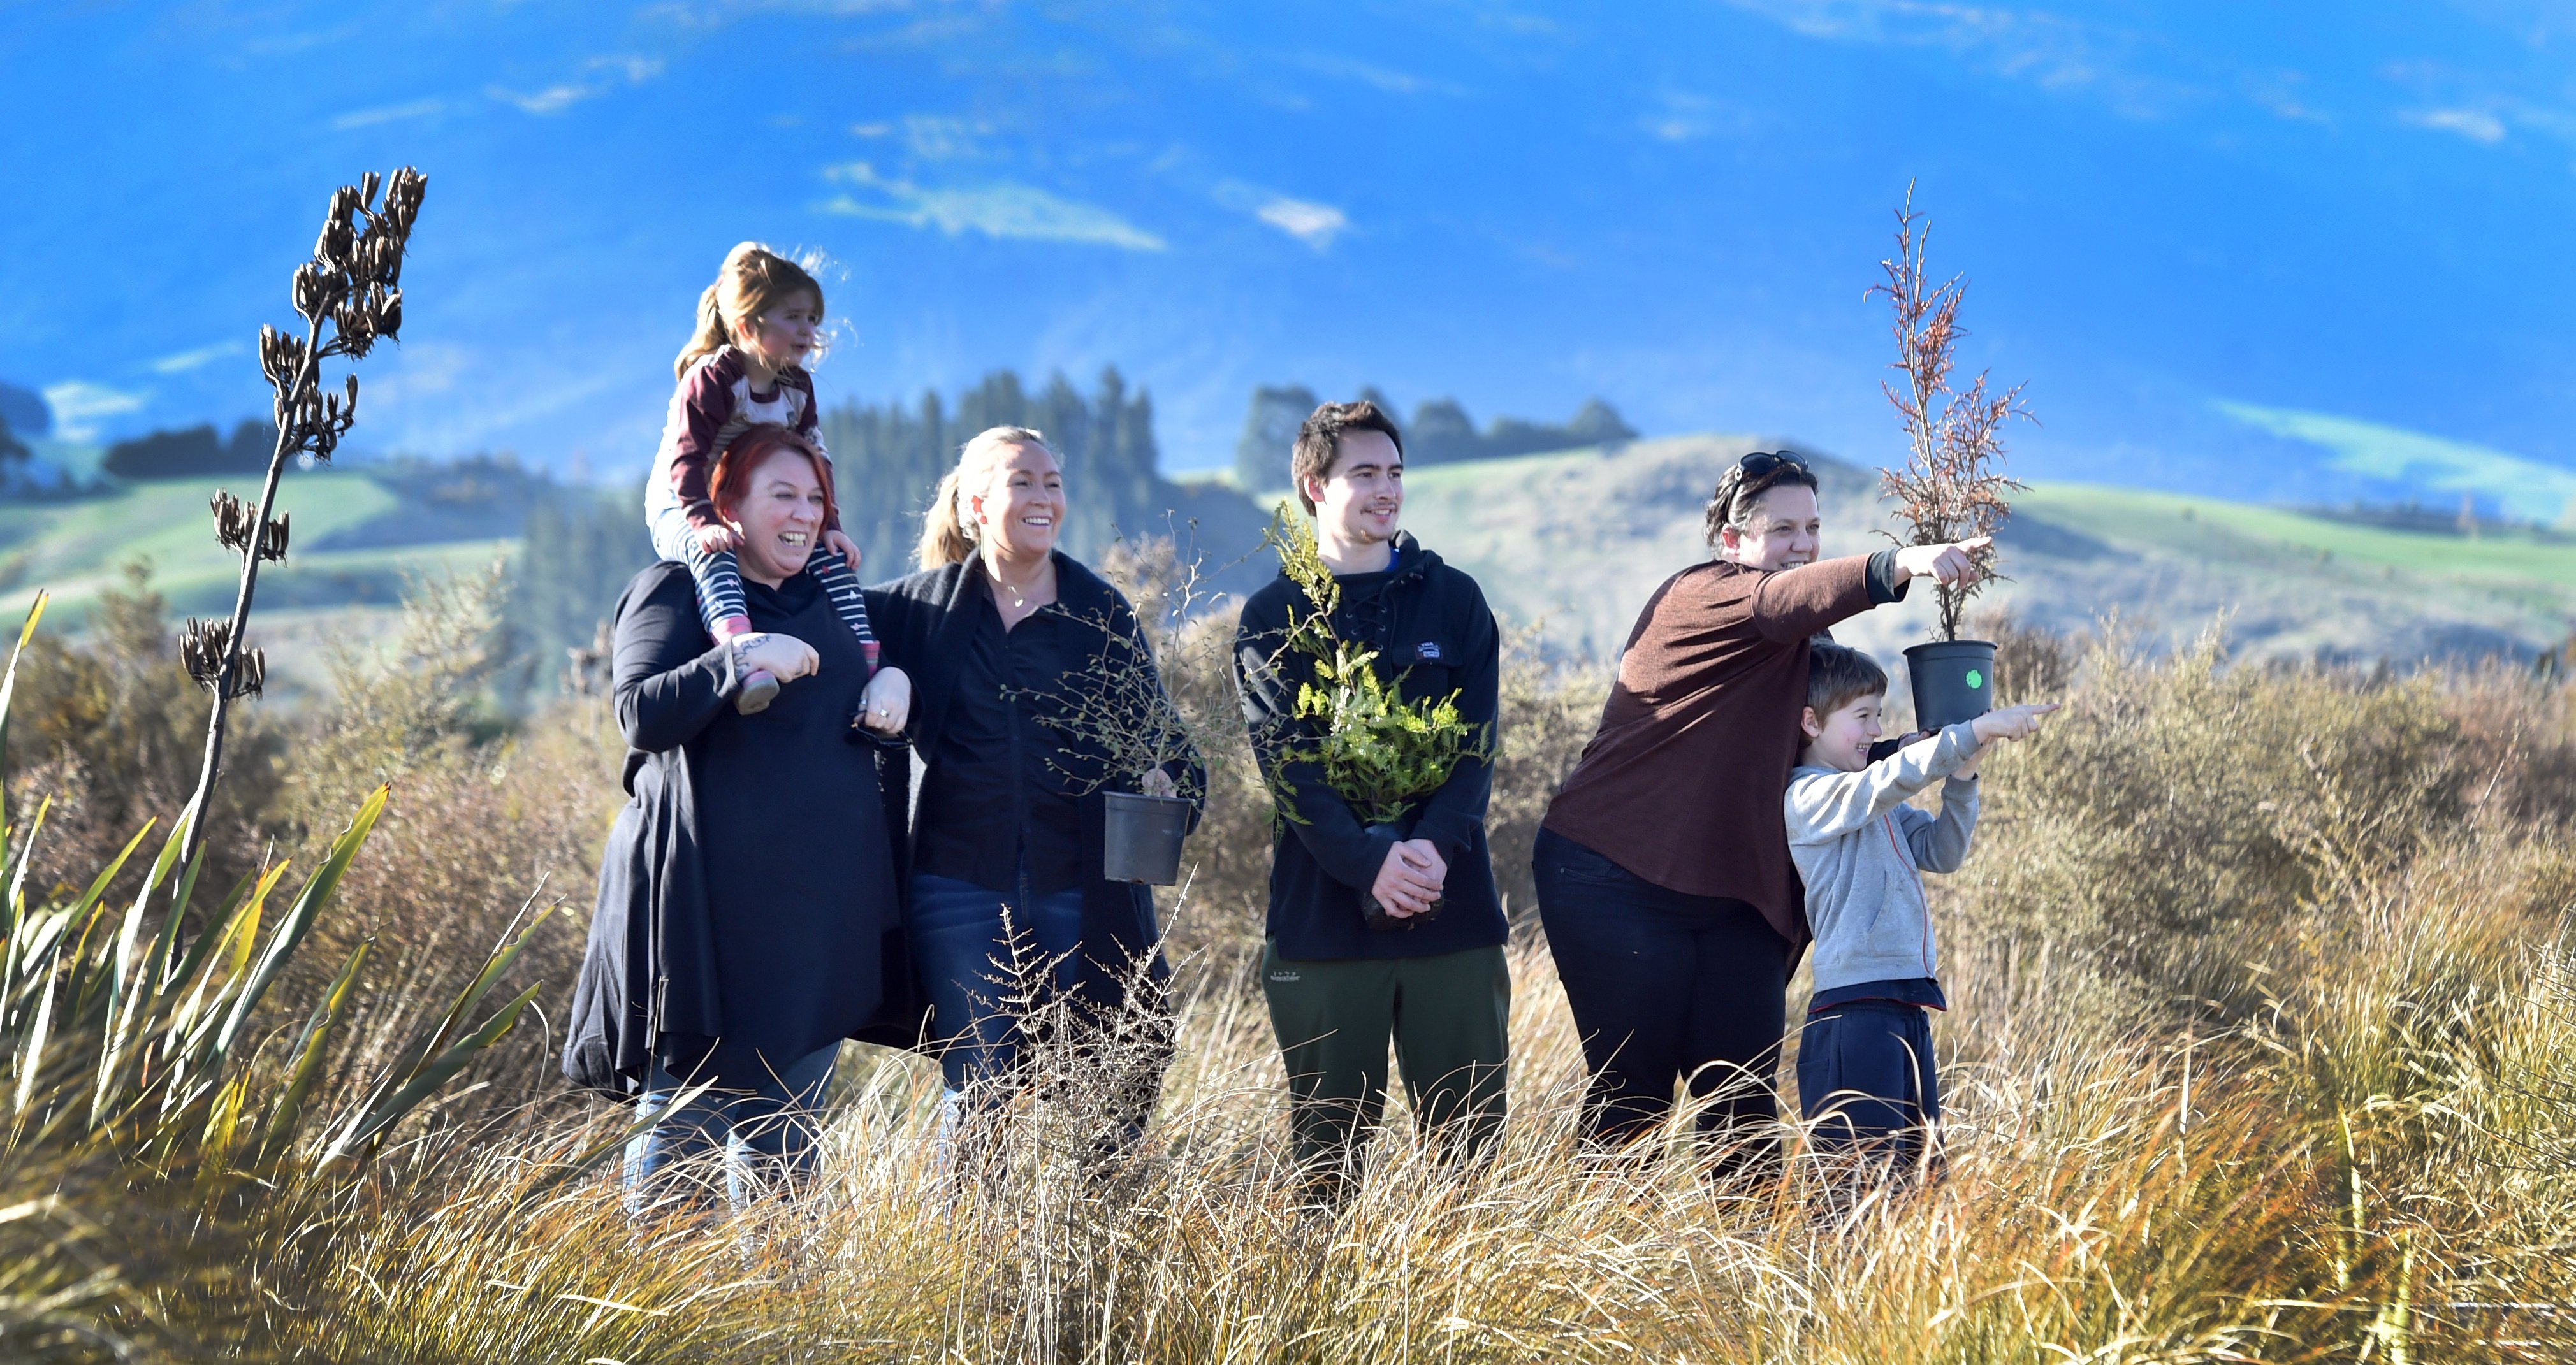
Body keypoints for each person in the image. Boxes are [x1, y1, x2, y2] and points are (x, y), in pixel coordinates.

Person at [1533, 449, 1989, 1162]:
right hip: (1616, 878)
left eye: (1812, 527)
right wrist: (1901, 564)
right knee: (1635, 1097)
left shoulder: (1811, 644)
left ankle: (1745, 1270)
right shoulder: (1702, 595)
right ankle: (1597, 1264)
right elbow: (1779, 601)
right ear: (1731, 542)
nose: (1803, 545)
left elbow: (1824, 758)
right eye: (1782, 530)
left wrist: (1930, 748)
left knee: (1742, 1105)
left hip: (1737, 900)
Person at [563, 424, 919, 1212]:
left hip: (818, 918)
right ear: (727, 506)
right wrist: (738, 659)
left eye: (815, 498)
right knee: (683, 1135)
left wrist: (897, 680)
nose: (802, 513)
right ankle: (662, 1322)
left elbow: (887, 676)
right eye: (781, 495)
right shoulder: (673, 586)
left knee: (787, 1147)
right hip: (705, 917)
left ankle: (773, 1324)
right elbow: (640, 716)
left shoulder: (832, 596)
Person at [865, 426, 1200, 1164]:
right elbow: (818, 626)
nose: (1044, 496)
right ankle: (967, 1267)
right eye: (1024, 482)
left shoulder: (1099, 613)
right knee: (981, 1088)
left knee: (1108, 1076)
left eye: (1052, 482)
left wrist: (1167, 787)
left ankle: (1081, 1248)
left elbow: (1167, 744)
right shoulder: (916, 613)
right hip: (955, 889)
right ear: (978, 504)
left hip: (1079, 890)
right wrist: (884, 674)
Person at [1234, 400, 1508, 1201]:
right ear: (1314, 487)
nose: (1387, 490)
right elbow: (1290, 772)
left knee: (1470, 1163)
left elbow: (1477, 747)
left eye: (1395, 473)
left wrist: (1425, 853)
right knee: (1327, 1167)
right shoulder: (1272, 619)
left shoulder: (1455, 601)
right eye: (1365, 474)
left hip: (1450, 911)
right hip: (1322, 927)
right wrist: (1369, 866)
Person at [1785, 643, 2055, 1173]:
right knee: (1856, 1190)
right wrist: (1971, 733)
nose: (1873, 731)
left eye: (1878, 716)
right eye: (1861, 717)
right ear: (1810, 722)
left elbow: (1942, 852)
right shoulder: (1809, 797)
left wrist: (1962, 777)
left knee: (1915, 1184)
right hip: (1852, 1013)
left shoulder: (1875, 803)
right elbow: (1889, 780)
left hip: (1904, 1002)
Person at [649, 242, 881, 714]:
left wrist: (830, 524)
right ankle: (744, 654)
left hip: (744, 500)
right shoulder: (713, 379)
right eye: (793, 317)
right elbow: (686, 460)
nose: (808, 330)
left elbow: (816, 456)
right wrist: (701, 520)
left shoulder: (797, 385)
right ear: (748, 326)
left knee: (830, 557)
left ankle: (866, 661)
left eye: (813, 318)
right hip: (682, 499)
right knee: (710, 552)